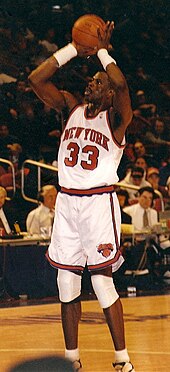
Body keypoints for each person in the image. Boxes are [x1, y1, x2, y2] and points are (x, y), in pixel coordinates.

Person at [28, 20, 135, 372]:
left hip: (98, 204)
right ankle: (71, 360)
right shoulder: (71, 108)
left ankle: (122, 360)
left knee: (103, 282)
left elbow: (120, 83)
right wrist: (75, 48)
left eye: (98, 81)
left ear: (107, 95)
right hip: (67, 202)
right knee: (65, 281)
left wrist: (102, 50)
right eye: (92, 79)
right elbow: (36, 80)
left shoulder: (117, 119)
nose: (93, 82)